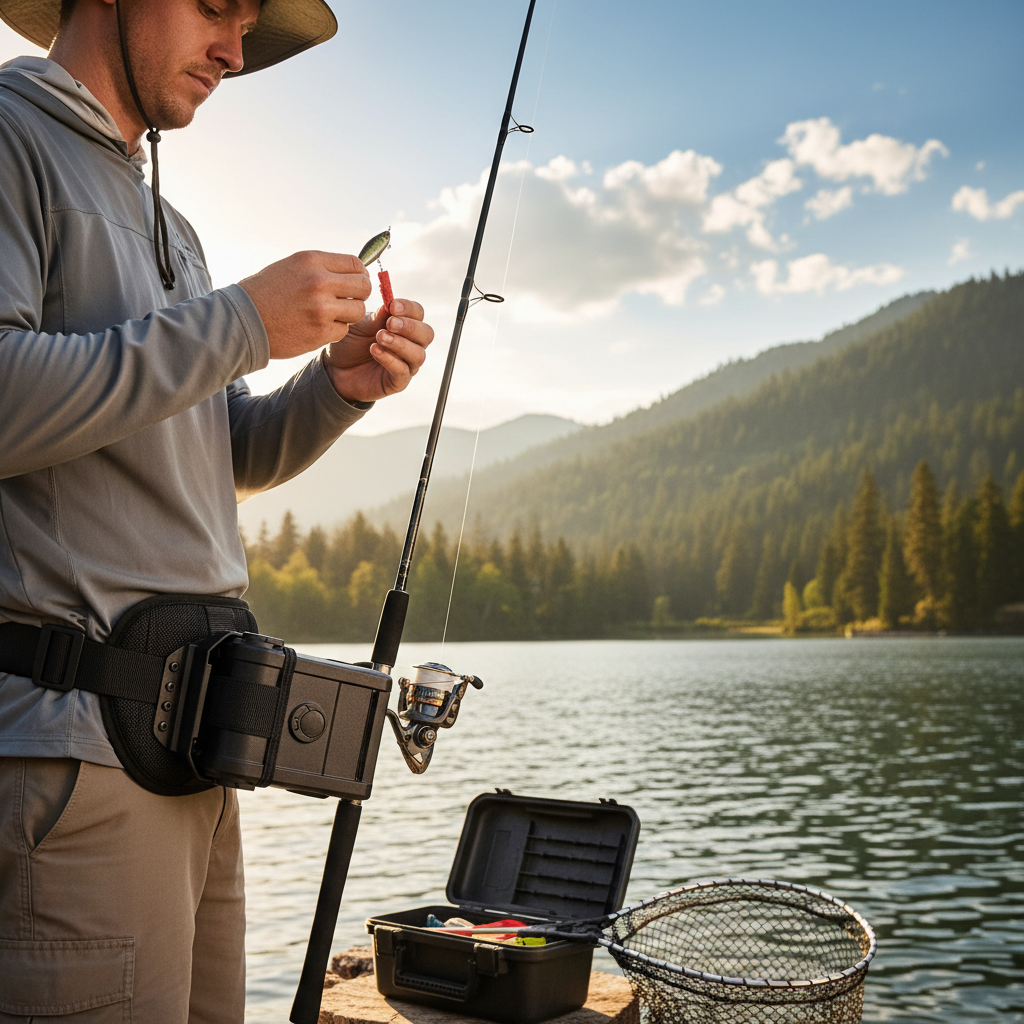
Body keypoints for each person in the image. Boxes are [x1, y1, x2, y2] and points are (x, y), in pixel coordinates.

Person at [0, 0, 433, 1018]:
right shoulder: (11, 138)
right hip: (72, 766)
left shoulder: (172, 226)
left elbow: (215, 453)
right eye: (215, 10)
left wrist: (337, 389)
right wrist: (239, 320)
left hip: (197, 753)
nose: (236, 54)